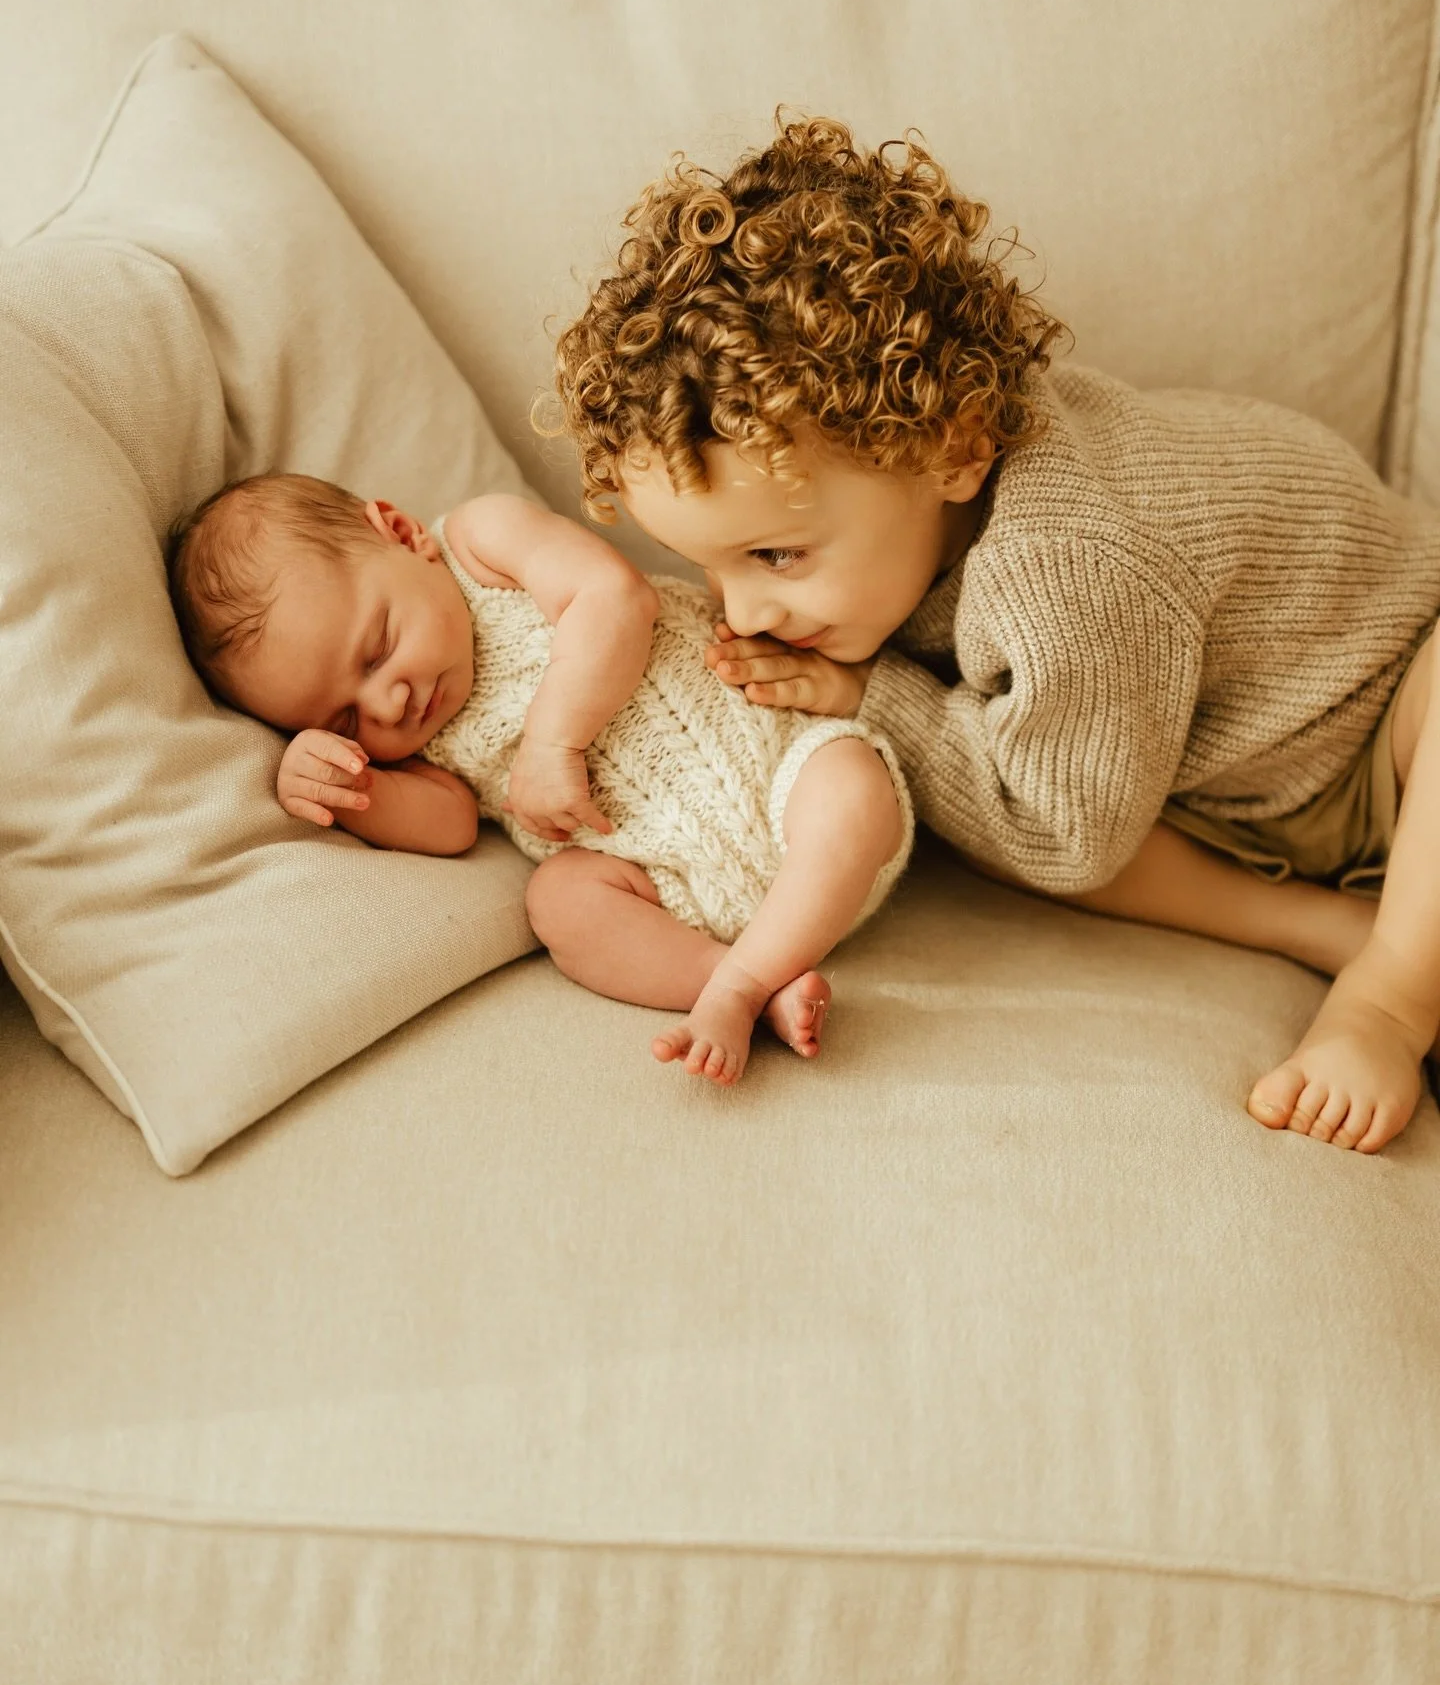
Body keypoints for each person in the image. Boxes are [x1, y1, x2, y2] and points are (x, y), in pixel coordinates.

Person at [550, 113, 1440, 1155]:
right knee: (1006, 800)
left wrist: (874, 697)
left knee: (1040, 816)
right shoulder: (912, 509)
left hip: (1385, 730)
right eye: (710, 566)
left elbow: (1065, 838)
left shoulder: (1066, 565)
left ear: (956, 452)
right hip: (1212, 778)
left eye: (777, 556)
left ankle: (1389, 992)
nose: (742, 612)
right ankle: (1329, 926)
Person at [166, 473, 912, 1086]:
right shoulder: (414, 742)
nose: (387, 700)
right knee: (556, 902)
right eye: (346, 719)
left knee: (851, 784)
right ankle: (743, 981)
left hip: (786, 772)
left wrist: (556, 739)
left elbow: (615, 596)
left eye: (378, 648)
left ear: (401, 533)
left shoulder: (481, 542)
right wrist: (350, 789)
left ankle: (746, 980)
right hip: (672, 889)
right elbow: (452, 822)